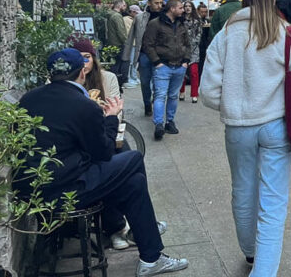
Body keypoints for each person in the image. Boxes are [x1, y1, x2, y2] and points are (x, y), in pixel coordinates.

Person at [16, 49, 188, 276]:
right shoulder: (83, 105)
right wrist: (110, 118)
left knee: (133, 183)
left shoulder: (28, 99)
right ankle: (141, 237)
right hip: (66, 191)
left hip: (32, 192)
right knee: (133, 159)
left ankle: (150, 255)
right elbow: (104, 152)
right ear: (81, 74)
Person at [200, 0, 291, 276]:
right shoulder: (288, 33)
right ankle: (264, 270)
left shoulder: (226, 35)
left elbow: (207, 92)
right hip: (276, 126)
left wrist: (233, 103)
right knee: (273, 202)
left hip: (238, 127)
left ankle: (250, 252)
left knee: (242, 192)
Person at [142, 0, 190, 141]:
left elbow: (187, 44)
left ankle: (170, 121)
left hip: (179, 65)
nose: (183, 10)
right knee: (160, 95)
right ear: (172, 9)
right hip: (163, 65)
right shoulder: (155, 24)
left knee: (173, 95)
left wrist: (186, 61)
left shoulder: (181, 24)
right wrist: (157, 62)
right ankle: (159, 125)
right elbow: (148, 44)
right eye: (180, 8)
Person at [124, 0, 164, 115]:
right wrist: (126, 56)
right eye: (156, 3)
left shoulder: (165, 16)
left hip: (161, 55)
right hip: (144, 54)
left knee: (159, 83)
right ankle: (147, 103)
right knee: (145, 82)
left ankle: (156, 105)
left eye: (160, 3)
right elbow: (131, 37)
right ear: (149, 3)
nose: (159, 5)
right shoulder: (140, 18)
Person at [71, 37, 121, 102]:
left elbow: (115, 108)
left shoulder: (109, 78)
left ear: (93, 59)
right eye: (77, 58)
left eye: (87, 57)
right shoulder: (63, 83)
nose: (83, 63)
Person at [179, 1, 204, 103]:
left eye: (190, 6)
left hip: (194, 49)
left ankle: (194, 94)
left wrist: (195, 42)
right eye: (186, 6)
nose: (188, 8)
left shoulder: (197, 20)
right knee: (182, 72)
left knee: (194, 72)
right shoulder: (180, 20)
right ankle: (181, 92)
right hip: (182, 49)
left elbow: (199, 33)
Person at [105, 0, 128, 76]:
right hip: (118, 44)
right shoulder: (117, 16)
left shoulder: (110, 15)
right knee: (118, 66)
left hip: (111, 43)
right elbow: (121, 31)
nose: (125, 8)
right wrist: (126, 42)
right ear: (120, 5)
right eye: (124, 5)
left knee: (113, 65)